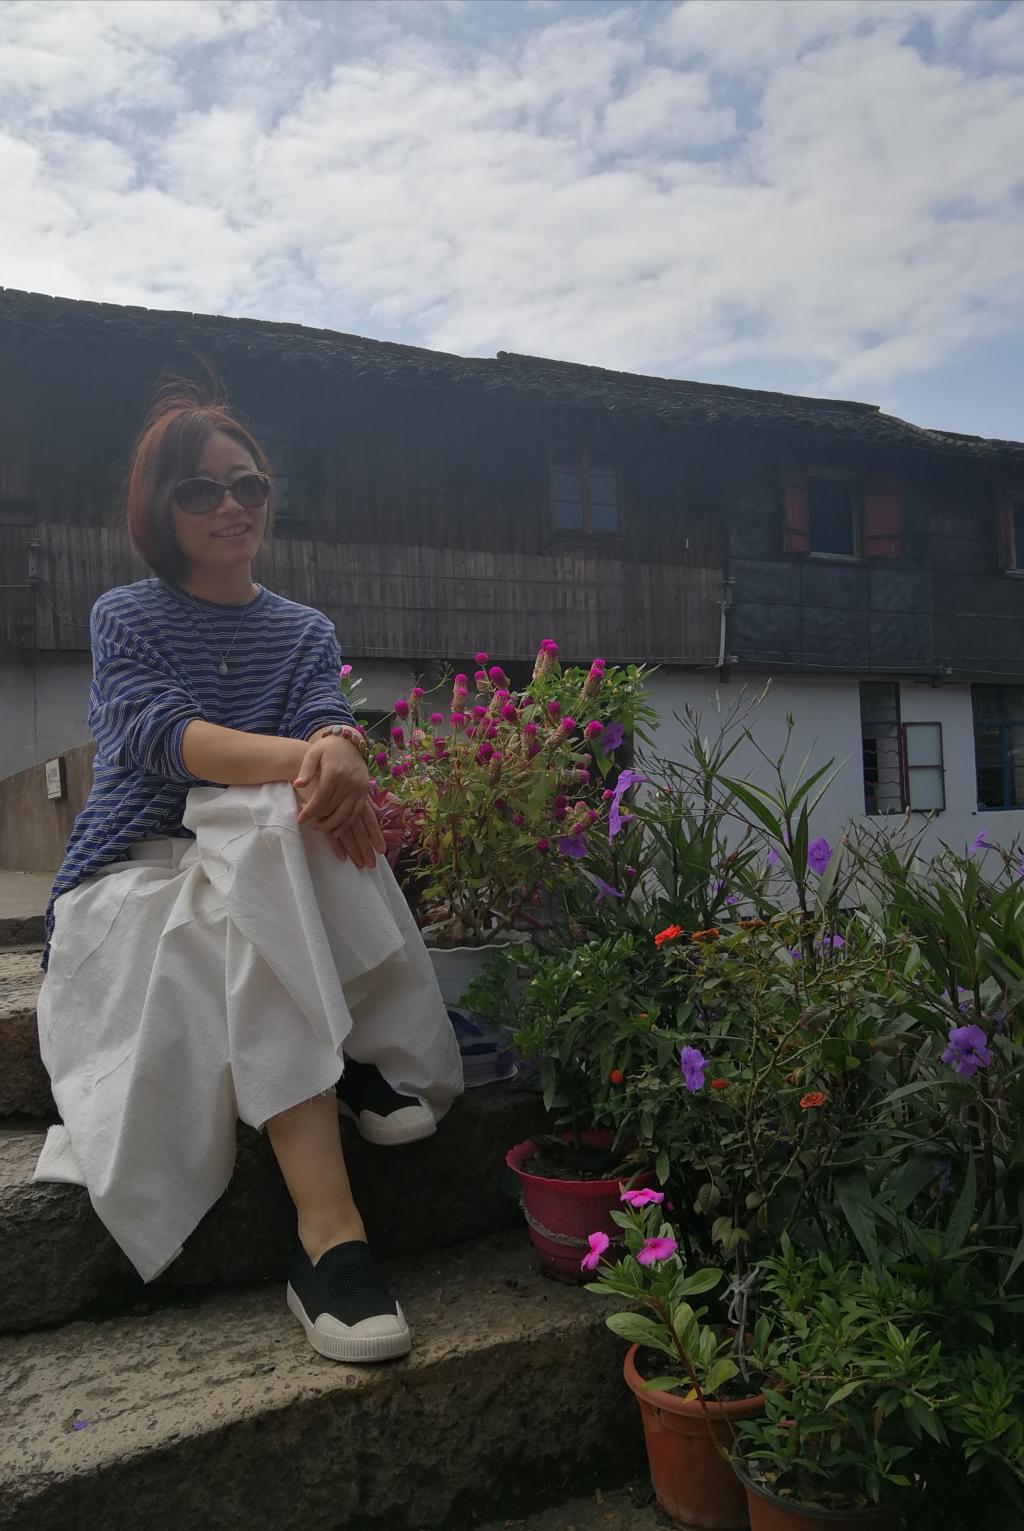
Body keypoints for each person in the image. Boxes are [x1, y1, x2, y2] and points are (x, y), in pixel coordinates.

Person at [34, 386, 464, 1364]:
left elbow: (318, 708)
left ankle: (329, 1184)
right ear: (160, 508)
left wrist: (335, 741)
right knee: (273, 821)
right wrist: (328, 753)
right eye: (200, 489)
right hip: (132, 879)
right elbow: (166, 739)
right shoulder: (125, 617)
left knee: (275, 828)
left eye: (249, 484)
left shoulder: (303, 629)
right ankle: (333, 1216)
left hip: (258, 873)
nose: (231, 505)